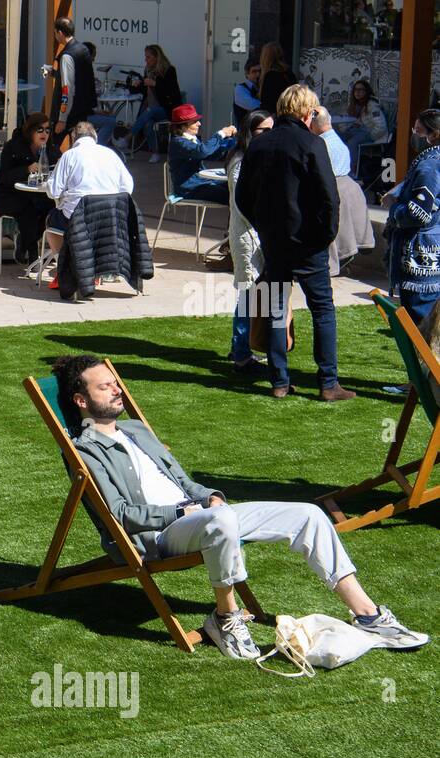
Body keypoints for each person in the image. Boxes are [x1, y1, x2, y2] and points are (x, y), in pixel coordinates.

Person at [52, 353, 425, 659]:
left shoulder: (136, 430)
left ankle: (369, 616)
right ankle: (226, 618)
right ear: (82, 400)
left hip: (204, 515)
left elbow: (184, 483)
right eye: (106, 387)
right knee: (221, 520)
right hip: (160, 535)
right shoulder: (84, 450)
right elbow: (118, 514)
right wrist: (181, 513)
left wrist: (209, 495)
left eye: (116, 383)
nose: (117, 391)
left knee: (307, 515)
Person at [236, 85, 350, 401]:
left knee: (274, 308)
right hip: (309, 243)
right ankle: (328, 383)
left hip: (276, 241)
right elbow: (329, 198)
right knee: (322, 310)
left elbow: (242, 196)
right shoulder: (313, 144)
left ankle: (279, 381)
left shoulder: (260, 145)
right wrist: (323, 236)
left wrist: (264, 226)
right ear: (307, 112)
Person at [44, 122, 133, 270]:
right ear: (95, 136)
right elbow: (128, 186)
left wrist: (47, 184)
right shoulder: (110, 154)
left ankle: (64, 266)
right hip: (109, 217)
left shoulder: (69, 155)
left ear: (74, 138)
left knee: (51, 222)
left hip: (77, 217)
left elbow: (53, 191)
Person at [226, 110, 273, 378]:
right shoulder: (241, 161)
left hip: (255, 233)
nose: (268, 136)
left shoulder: (255, 158)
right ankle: (242, 353)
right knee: (247, 295)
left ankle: (241, 346)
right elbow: (243, 203)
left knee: (252, 295)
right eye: (263, 131)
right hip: (248, 237)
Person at [385, 108, 440, 337]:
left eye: (417, 130)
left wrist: (395, 206)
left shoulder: (429, 166)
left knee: (420, 324)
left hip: (421, 257)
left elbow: (418, 213)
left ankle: (423, 371)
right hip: (430, 250)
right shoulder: (430, 162)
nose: (413, 135)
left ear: (433, 134)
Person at [0, 112, 61, 264]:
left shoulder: (51, 149)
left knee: (52, 209)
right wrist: (26, 169)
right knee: (29, 210)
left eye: (48, 130)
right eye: (40, 130)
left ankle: (27, 243)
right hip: (10, 195)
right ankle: (32, 252)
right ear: (30, 131)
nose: (44, 133)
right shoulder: (13, 147)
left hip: (39, 196)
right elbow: (4, 178)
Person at [113, 44, 181, 161]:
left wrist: (155, 84)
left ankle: (127, 138)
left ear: (157, 57)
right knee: (148, 123)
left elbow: (172, 91)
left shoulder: (169, 70)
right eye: (145, 57)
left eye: (148, 57)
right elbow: (145, 91)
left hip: (167, 108)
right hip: (151, 109)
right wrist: (136, 86)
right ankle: (155, 153)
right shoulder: (148, 70)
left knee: (150, 111)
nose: (146, 60)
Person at [167, 104, 235, 204]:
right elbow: (202, 152)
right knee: (229, 196)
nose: (199, 124)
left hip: (201, 182)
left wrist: (226, 142)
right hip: (189, 188)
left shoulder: (191, 139)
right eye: (195, 122)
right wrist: (220, 134)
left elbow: (210, 155)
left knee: (235, 187)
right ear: (182, 126)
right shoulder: (178, 142)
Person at [46, 17, 96, 140]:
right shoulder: (83, 49)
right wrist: (55, 73)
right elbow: (81, 77)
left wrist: (62, 119)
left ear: (60, 33)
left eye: (55, 32)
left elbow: (67, 90)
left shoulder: (67, 55)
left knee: (52, 149)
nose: (55, 36)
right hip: (82, 111)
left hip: (68, 114)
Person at [340, 79, 389, 179]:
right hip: (358, 131)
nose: (357, 92)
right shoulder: (353, 105)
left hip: (369, 133)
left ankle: (351, 171)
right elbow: (344, 122)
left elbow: (381, 126)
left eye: (361, 90)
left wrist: (371, 136)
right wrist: (345, 129)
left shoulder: (372, 106)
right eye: (355, 90)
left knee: (353, 142)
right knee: (339, 138)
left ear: (366, 91)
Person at [258, 42, 299, 115]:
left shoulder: (270, 76)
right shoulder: (289, 73)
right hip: (290, 114)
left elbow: (267, 103)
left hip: (275, 117)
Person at [311, 106, 352, 177]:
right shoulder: (342, 146)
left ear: (311, 125)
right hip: (347, 184)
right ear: (329, 119)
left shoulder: (319, 148)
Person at [233, 60, 262, 125]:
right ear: (247, 74)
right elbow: (253, 105)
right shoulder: (240, 88)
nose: (258, 74)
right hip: (244, 132)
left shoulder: (261, 87)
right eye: (254, 71)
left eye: (260, 71)